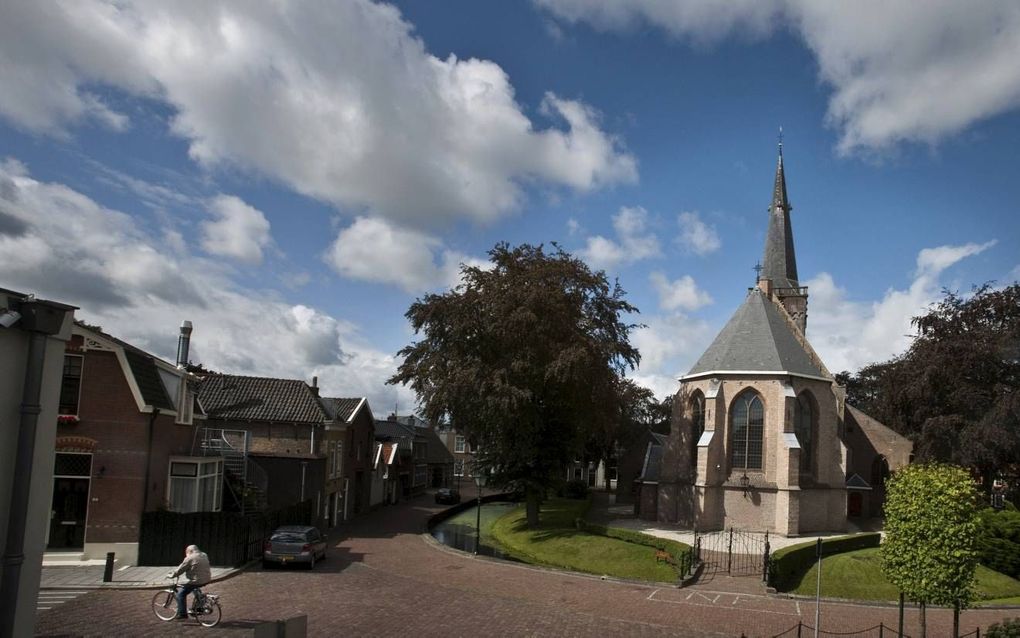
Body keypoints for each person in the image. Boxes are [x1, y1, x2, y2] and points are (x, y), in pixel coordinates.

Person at [167, 545, 211, 619]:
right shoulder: (204, 555)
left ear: (190, 551)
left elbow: (180, 569)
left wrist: (172, 575)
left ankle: (182, 614)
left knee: (180, 595)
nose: (186, 554)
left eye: (186, 552)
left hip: (197, 580)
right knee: (194, 587)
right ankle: (199, 605)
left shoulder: (189, 558)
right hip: (207, 578)